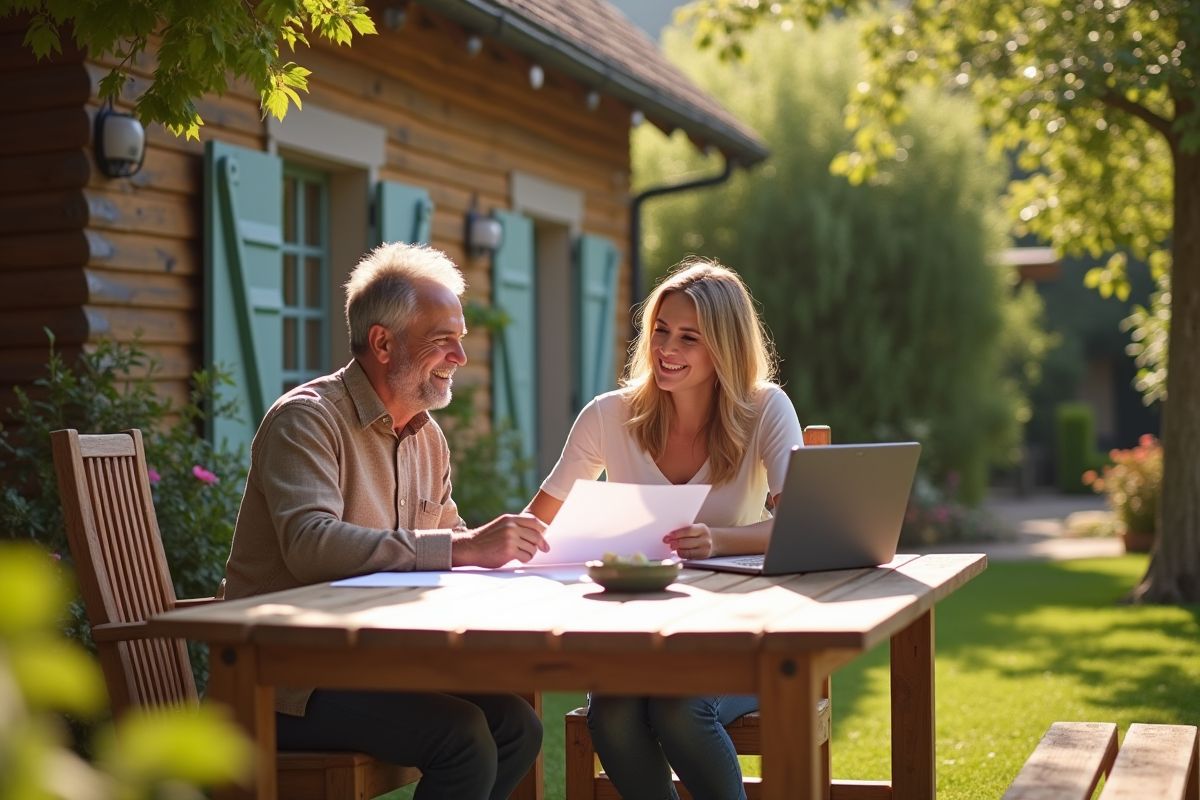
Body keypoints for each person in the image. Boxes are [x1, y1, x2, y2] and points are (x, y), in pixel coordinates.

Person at [222, 242, 549, 800]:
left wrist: (513, 561)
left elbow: (451, 539)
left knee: (517, 725)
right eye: (443, 340)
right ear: (382, 342)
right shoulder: (307, 420)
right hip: (285, 681)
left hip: (365, 666)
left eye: (461, 340)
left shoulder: (427, 438)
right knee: (465, 737)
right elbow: (310, 545)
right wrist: (465, 549)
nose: (460, 358)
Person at [526, 258, 804, 800]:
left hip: (739, 635)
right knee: (613, 716)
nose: (666, 349)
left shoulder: (765, 407)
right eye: (660, 331)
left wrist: (721, 539)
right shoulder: (607, 415)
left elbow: (802, 526)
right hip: (636, 640)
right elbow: (539, 522)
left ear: (724, 345)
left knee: (681, 709)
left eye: (688, 338)